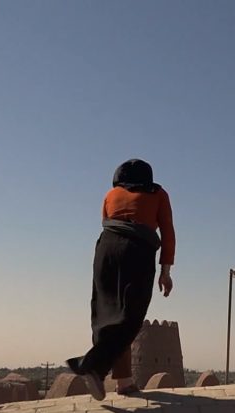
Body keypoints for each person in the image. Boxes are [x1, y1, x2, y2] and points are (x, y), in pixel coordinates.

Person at [67, 159, 175, 399]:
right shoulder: (158, 193)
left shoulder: (111, 194)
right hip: (137, 249)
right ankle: (92, 365)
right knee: (131, 315)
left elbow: (106, 222)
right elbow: (167, 231)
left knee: (106, 313)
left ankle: (124, 382)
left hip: (106, 249)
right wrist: (165, 272)